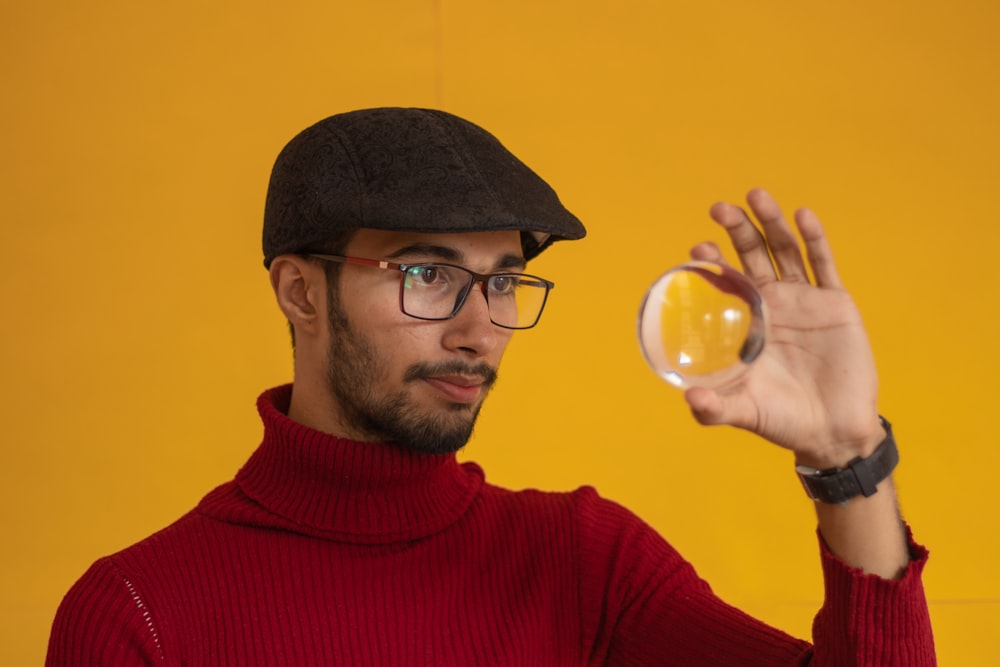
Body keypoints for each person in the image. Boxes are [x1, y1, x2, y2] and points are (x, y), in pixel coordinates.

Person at [46, 107, 935, 665]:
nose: (479, 328)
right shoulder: (137, 615)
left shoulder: (586, 564)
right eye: (427, 275)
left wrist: (847, 456)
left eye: (503, 280)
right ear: (298, 289)